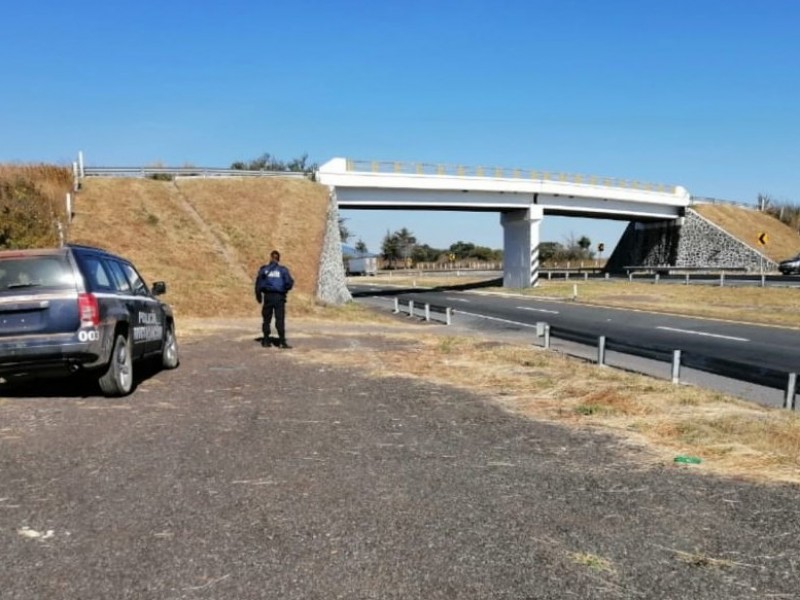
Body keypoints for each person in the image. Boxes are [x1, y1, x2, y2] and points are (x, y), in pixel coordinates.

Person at [255, 250, 294, 348]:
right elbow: (289, 282)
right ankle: (281, 342)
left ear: (271, 258)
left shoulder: (264, 269)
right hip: (279, 297)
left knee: (266, 319)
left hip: (268, 296)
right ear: (278, 259)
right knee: (280, 319)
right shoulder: (283, 270)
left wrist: (259, 296)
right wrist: (284, 290)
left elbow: (258, 283)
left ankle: (266, 341)